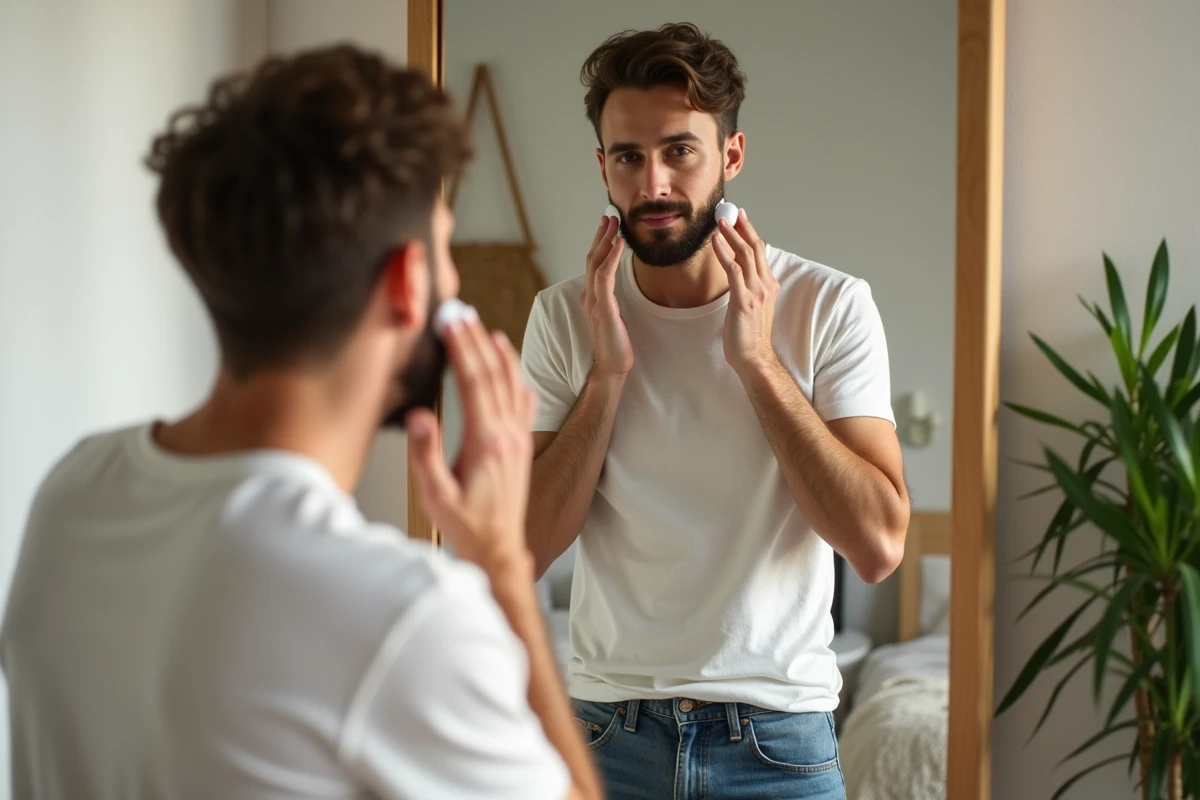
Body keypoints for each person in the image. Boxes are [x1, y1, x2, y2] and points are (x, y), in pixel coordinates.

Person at [0, 45, 604, 800]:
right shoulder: (403, 618)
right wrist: (507, 577)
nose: (455, 279)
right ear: (409, 283)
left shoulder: (75, 493)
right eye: (445, 249)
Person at [520, 23, 911, 799]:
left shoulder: (830, 306)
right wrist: (606, 378)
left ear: (731, 156)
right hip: (609, 735)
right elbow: (521, 548)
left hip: (777, 741)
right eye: (628, 157)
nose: (654, 182)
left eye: (680, 150)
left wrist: (758, 361)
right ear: (604, 168)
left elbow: (876, 545)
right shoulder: (564, 318)